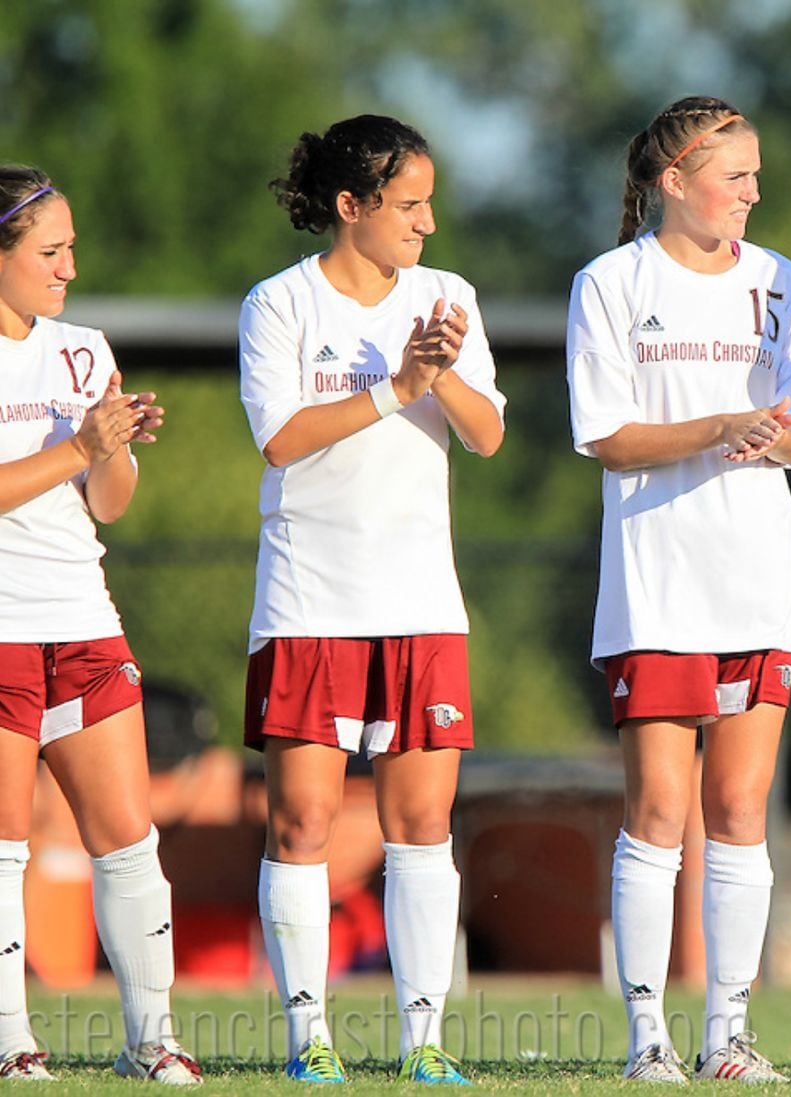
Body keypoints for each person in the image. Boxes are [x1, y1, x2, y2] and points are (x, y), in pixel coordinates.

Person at [239, 116, 505, 1085]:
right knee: (303, 824)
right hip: (310, 599)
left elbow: (486, 436)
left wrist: (440, 378)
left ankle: (422, 1042)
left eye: (430, 203)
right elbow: (282, 438)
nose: (427, 223)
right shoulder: (278, 303)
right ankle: (309, 1036)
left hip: (423, 604)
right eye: (408, 204)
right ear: (350, 207)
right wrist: (398, 386)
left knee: (422, 828)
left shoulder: (447, 297)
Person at [566, 95, 791, 1085]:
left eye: (755, 175)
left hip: (757, 576)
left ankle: (727, 1036)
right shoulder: (611, 282)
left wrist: (774, 434)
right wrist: (717, 426)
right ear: (675, 182)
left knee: (742, 801)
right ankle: (646, 1038)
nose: (753, 192)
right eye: (735, 175)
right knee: (661, 805)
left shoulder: (780, 281)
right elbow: (607, 435)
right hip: (658, 580)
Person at [0, 166, 202, 1085]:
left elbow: (108, 504)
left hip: (83, 618)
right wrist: (77, 446)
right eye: (50, 250)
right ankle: (13, 1041)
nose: (68, 267)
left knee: (128, 834)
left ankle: (151, 1039)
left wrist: (108, 450)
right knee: (5, 845)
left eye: (72, 247)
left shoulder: (83, 349)